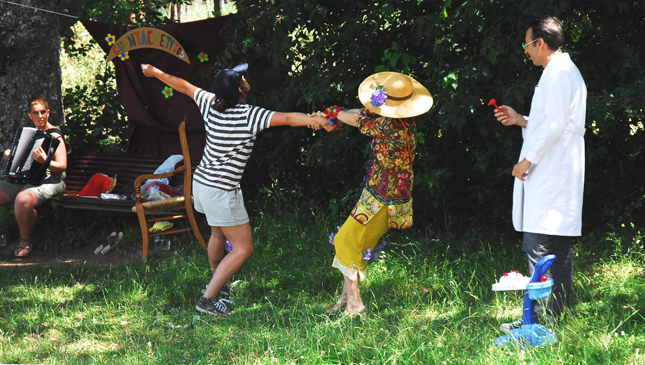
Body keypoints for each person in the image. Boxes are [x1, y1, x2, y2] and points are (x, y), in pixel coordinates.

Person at [141, 62, 329, 316]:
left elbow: (183, 86)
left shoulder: (209, 103)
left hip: (203, 183)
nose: (244, 78)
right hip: (222, 191)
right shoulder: (250, 115)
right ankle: (208, 299)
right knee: (243, 248)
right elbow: (286, 118)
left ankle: (218, 284)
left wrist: (155, 73)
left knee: (218, 235)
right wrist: (315, 120)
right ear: (241, 89)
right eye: (242, 78)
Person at [313, 72, 433, 317]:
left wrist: (331, 114)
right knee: (354, 242)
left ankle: (355, 305)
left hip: (384, 199)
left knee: (345, 240)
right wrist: (336, 113)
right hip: (380, 194)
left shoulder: (389, 124)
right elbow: (361, 113)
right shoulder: (402, 120)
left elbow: (357, 120)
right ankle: (345, 298)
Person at [494, 16, 586, 332]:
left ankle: (537, 322)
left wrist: (528, 160)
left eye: (527, 45)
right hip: (559, 167)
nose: (526, 52)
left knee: (539, 246)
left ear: (541, 43)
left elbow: (556, 124)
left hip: (551, 169)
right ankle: (554, 318)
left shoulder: (558, 73)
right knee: (557, 249)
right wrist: (521, 120)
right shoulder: (561, 71)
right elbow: (552, 120)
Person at [0, 96, 68, 257]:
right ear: (30, 115)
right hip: (26, 179)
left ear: (48, 113)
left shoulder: (55, 136)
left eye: (43, 112)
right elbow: (21, 159)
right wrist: (9, 155)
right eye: (36, 113)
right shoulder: (30, 134)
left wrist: (45, 161)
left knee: (23, 199)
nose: (40, 116)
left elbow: (62, 166)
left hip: (51, 180)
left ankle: (25, 241)